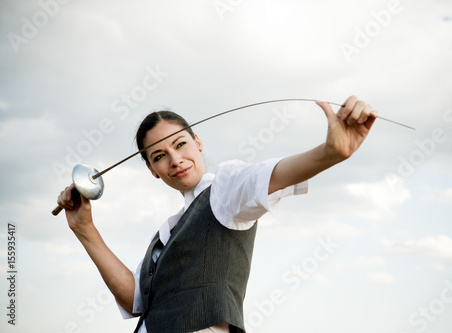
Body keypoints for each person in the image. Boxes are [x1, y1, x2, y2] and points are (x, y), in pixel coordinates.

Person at [56, 96, 377, 333]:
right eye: (159, 156)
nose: (175, 159)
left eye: (180, 144)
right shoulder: (164, 234)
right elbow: (135, 301)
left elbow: (270, 175)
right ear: (152, 169)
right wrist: (85, 229)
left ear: (197, 142)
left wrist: (330, 153)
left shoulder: (225, 189)